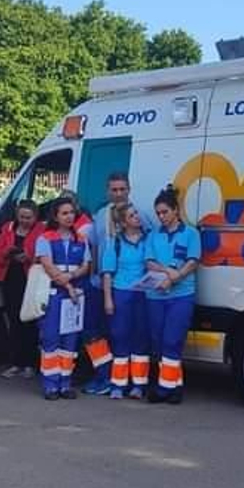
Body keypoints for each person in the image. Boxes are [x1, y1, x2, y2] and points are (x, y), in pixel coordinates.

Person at [82, 172, 155, 395]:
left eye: (122, 189)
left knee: (130, 335)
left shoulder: (141, 214)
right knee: (95, 333)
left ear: (129, 189)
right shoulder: (101, 215)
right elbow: (94, 247)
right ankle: (105, 376)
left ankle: (132, 383)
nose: (119, 193)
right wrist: (95, 276)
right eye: (114, 189)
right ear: (107, 191)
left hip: (132, 289)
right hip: (102, 284)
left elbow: (151, 245)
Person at [143, 187, 201, 406]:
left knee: (172, 340)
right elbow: (149, 261)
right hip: (156, 294)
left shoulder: (190, 233)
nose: (161, 217)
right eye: (158, 213)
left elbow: (193, 261)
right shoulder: (153, 235)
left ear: (176, 210)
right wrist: (169, 274)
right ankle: (175, 386)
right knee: (159, 342)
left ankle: (164, 389)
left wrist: (176, 278)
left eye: (165, 212)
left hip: (181, 295)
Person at [35, 196, 91, 401]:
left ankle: (65, 383)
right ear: (56, 216)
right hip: (54, 294)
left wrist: (72, 277)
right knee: (51, 339)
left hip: (75, 296)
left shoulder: (81, 240)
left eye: (71, 213)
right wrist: (66, 283)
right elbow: (47, 265)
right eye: (64, 213)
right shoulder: (46, 238)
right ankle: (50, 384)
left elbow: (86, 265)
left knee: (70, 342)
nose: (69, 217)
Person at [101, 202, 152, 400]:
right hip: (121, 293)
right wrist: (108, 300)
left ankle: (138, 385)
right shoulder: (115, 242)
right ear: (123, 223)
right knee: (120, 337)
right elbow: (107, 273)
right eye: (132, 215)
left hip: (143, 294)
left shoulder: (148, 239)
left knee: (140, 338)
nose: (137, 217)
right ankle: (118, 384)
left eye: (136, 213)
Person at [0, 199, 42, 378]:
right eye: (21, 217)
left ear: (35, 217)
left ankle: (30, 364)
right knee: (13, 321)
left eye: (28, 217)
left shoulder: (41, 231)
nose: (24, 221)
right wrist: (7, 253)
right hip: (10, 279)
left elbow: (45, 254)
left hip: (31, 281)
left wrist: (29, 258)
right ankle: (16, 363)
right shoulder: (8, 229)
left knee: (29, 322)